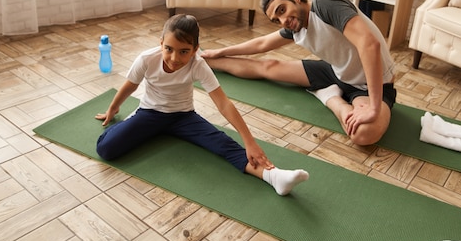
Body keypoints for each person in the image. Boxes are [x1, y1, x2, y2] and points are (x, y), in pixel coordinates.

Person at [95, 14, 309, 196]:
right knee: (105, 148)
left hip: (183, 117)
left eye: (184, 51)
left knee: (223, 143)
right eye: (168, 48)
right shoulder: (146, 59)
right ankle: (143, 127)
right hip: (150, 113)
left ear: (196, 49)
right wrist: (113, 108)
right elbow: (130, 86)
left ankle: (274, 177)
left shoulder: (199, 65)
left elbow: (223, 104)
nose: (174, 58)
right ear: (161, 43)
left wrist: (250, 142)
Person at [201, 0, 397, 146]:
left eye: (282, 10)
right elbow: (261, 44)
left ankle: (329, 97)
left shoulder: (324, 3)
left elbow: (369, 44)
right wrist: (219, 52)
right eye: (276, 20)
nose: (283, 21)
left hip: (367, 86)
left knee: (363, 135)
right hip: (335, 71)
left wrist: (373, 108)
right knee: (268, 67)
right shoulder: (296, 28)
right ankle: (202, 61)